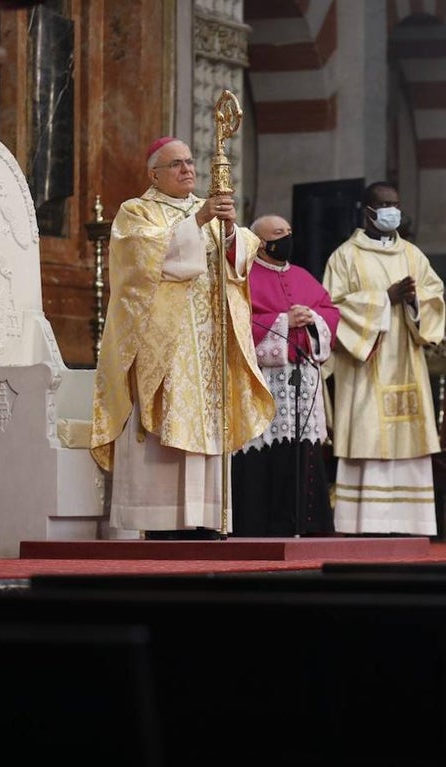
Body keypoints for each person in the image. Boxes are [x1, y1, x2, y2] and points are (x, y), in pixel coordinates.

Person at [90, 136, 274, 540]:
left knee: (208, 423)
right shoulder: (137, 211)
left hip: (208, 344)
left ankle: (206, 518)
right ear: (154, 174)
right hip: (165, 344)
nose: (188, 169)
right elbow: (145, 259)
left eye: (190, 162)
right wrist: (200, 221)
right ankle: (160, 523)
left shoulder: (206, 211)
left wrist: (231, 233)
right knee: (166, 422)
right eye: (176, 164)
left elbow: (240, 258)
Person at [322, 181, 446, 535]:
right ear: (368, 211)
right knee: (368, 433)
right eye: (385, 204)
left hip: (405, 359)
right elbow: (330, 310)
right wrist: (383, 299)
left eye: (396, 204)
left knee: (409, 437)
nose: (393, 210)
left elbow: (435, 297)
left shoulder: (413, 255)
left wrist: (414, 301)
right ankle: (364, 523)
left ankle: (409, 523)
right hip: (366, 364)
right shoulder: (344, 257)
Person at [231, 214, 340, 536]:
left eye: (289, 232)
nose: (287, 239)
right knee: (264, 451)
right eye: (279, 234)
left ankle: (307, 525)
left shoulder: (303, 276)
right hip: (263, 380)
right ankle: (260, 527)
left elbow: (331, 313)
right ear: (260, 244)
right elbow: (237, 323)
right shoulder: (244, 278)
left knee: (302, 449)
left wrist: (312, 318)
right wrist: (282, 322)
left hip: (301, 377)